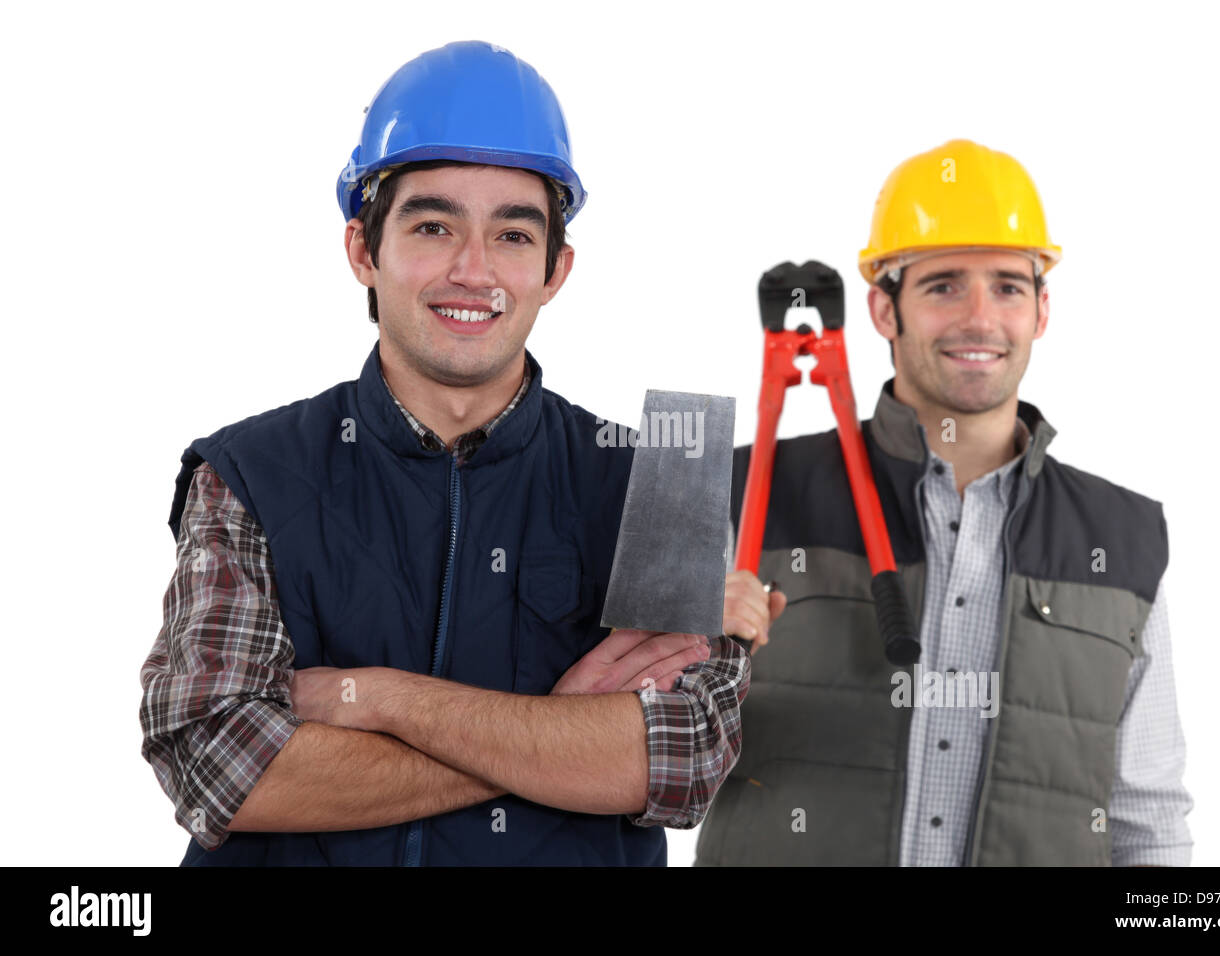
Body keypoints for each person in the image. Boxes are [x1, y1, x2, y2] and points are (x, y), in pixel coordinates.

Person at [138, 40, 767, 866]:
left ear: (556, 269)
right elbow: (224, 770)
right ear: (364, 249)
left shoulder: (658, 473)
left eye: (512, 233)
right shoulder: (251, 473)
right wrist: (558, 727)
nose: (475, 270)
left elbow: (682, 764)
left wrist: (379, 700)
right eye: (433, 225)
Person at [695, 139, 1193, 866]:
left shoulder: (1122, 543)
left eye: (1008, 286)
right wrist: (692, 662)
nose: (979, 319)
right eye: (943, 286)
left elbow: (1146, 821)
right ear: (882, 308)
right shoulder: (747, 496)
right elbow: (650, 769)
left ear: (1042, 310)